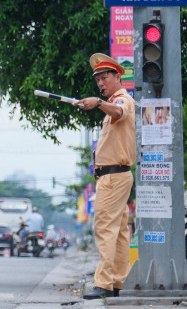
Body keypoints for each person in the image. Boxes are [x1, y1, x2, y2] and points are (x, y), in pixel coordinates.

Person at [73, 53, 135, 299]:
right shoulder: (113, 103)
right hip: (115, 176)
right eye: (98, 79)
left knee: (105, 228)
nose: (100, 83)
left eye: (105, 77)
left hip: (113, 177)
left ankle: (104, 283)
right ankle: (118, 281)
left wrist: (98, 103)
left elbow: (119, 112)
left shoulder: (123, 100)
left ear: (117, 76)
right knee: (119, 231)